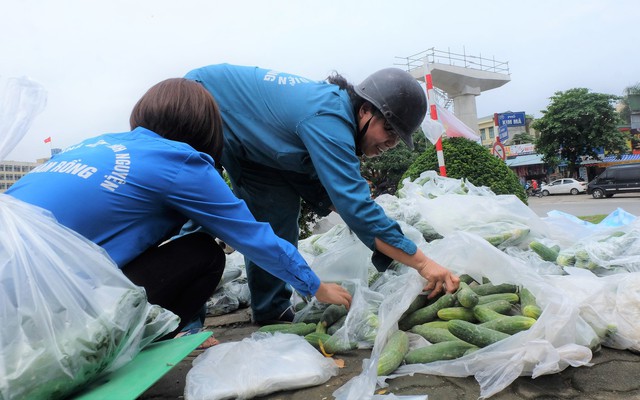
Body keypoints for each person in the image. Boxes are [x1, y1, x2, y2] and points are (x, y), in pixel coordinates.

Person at [6, 78, 352, 346]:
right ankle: (133, 342)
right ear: (204, 126)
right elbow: (252, 237)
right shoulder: (180, 161)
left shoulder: (95, 144)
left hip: (14, 293)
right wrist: (316, 284)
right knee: (204, 252)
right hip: (51, 306)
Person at [183, 64, 460, 325]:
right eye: (388, 129)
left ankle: (271, 311)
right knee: (197, 216)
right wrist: (422, 263)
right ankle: (184, 323)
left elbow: (327, 189)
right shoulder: (329, 119)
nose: (390, 143)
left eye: (398, 136)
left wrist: (369, 220)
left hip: (258, 149)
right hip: (199, 103)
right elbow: (355, 206)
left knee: (276, 219)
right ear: (364, 111)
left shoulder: (335, 119)